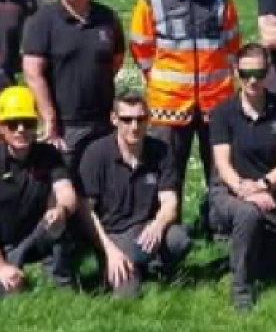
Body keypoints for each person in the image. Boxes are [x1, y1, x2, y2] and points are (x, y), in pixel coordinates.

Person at [129, 0, 240, 236]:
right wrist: (159, 80)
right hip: (168, 103)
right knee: (168, 171)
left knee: (219, 170)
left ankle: (221, 227)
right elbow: (140, 47)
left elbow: (232, 45)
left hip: (216, 102)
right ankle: (170, 231)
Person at [208, 44, 276, 311]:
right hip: (229, 190)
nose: (252, 80)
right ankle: (241, 291)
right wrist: (245, 191)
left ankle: (239, 260)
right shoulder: (223, 112)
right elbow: (223, 164)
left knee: (274, 270)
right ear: (235, 72)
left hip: (270, 193)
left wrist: (263, 186)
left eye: (259, 73)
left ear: (268, 72)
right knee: (248, 214)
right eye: (246, 73)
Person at [79, 91, 192, 299]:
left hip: (146, 229)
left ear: (148, 119)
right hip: (113, 234)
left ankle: (151, 267)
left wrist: (158, 224)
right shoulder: (95, 153)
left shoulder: (161, 151)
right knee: (127, 296)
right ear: (114, 119)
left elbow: (170, 202)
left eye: (140, 119)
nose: (134, 126)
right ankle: (123, 268)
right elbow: (87, 212)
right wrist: (110, 251)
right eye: (127, 119)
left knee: (179, 239)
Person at [0, 86, 80, 297]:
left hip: (37, 236)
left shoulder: (49, 154)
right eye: (13, 124)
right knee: (1, 293)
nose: (21, 129)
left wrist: (61, 210)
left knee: (59, 225)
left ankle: (61, 282)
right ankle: (5, 272)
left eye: (28, 123)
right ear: (1, 127)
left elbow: (67, 193)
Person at [23, 0, 126, 170]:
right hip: (65, 125)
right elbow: (33, 73)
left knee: (102, 180)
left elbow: (116, 60)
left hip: (104, 121)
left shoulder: (107, 17)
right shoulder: (42, 21)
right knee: (66, 183)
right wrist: (49, 118)